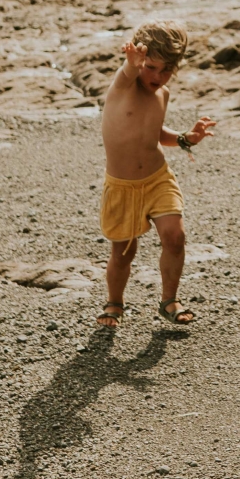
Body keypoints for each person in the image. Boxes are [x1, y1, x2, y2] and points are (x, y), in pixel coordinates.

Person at [96, 21, 215, 330]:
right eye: (150, 67)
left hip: (157, 177)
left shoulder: (162, 94)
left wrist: (186, 138)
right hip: (122, 186)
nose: (157, 76)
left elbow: (154, 133)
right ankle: (114, 302)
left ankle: (169, 300)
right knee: (124, 253)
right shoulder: (123, 86)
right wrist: (131, 64)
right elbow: (128, 71)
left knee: (175, 237)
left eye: (166, 70)